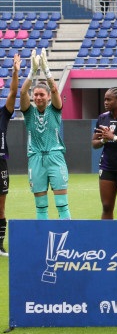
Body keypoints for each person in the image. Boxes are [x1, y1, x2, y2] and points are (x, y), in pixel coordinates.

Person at [20, 49, 70, 219]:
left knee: (62, 205)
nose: (39, 97)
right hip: (35, 158)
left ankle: (68, 238)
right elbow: (21, 93)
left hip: (55, 157)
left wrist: (47, 71)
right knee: (41, 207)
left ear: (48, 96)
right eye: (36, 95)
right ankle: (43, 242)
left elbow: (55, 90)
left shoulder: (55, 110)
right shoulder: (28, 112)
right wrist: (32, 72)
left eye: (42, 94)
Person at [91, 87, 117, 219]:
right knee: (107, 206)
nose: (105, 102)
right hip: (107, 166)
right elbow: (94, 144)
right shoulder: (102, 118)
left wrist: (113, 137)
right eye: (104, 99)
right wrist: (103, 140)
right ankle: (106, 238)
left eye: (109, 99)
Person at [0, 53, 21, 255]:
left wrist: (15, 72)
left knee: (0, 207)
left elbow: (13, 93)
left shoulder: (3, 113)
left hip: (0, 164)